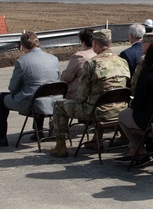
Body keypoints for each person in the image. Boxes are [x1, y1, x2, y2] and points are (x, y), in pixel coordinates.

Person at [50, 29, 130, 157]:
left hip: (96, 111)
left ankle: (60, 146)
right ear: (109, 44)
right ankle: (98, 140)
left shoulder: (92, 63)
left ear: (94, 45)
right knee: (97, 102)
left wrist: (74, 101)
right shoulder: (122, 61)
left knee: (59, 105)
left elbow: (81, 96)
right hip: (120, 109)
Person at [0, 31, 62, 146]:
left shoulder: (22, 62)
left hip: (33, 102)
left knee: (1, 99)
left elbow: (12, 88)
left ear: (23, 46)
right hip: (53, 100)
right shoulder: (54, 59)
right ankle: (38, 132)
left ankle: (0, 136)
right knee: (40, 91)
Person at [61, 28, 96, 99]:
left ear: (83, 43)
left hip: (81, 97)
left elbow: (66, 77)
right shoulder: (104, 54)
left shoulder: (79, 57)